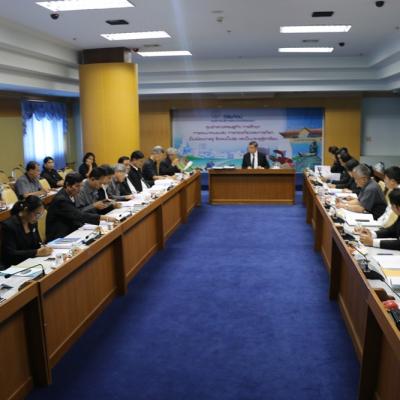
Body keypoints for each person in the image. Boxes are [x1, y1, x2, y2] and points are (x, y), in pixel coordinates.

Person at [46, 173, 116, 241]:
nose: (79, 189)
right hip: (59, 236)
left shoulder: (70, 194)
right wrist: (102, 217)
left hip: (70, 229)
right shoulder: (61, 199)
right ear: (67, 185)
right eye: (77, 186)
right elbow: (78, 215)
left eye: (81, 186)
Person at [1, 196, 52, 267]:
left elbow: (38, 243)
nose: (38, 218)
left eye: (41, 215)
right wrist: (36, 252)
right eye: (37, 214)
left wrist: (43, 248)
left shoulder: (32, 222)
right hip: (15, 265)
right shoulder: (9, 226)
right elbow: (10, 254)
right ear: (26, 210)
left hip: (31, 261)